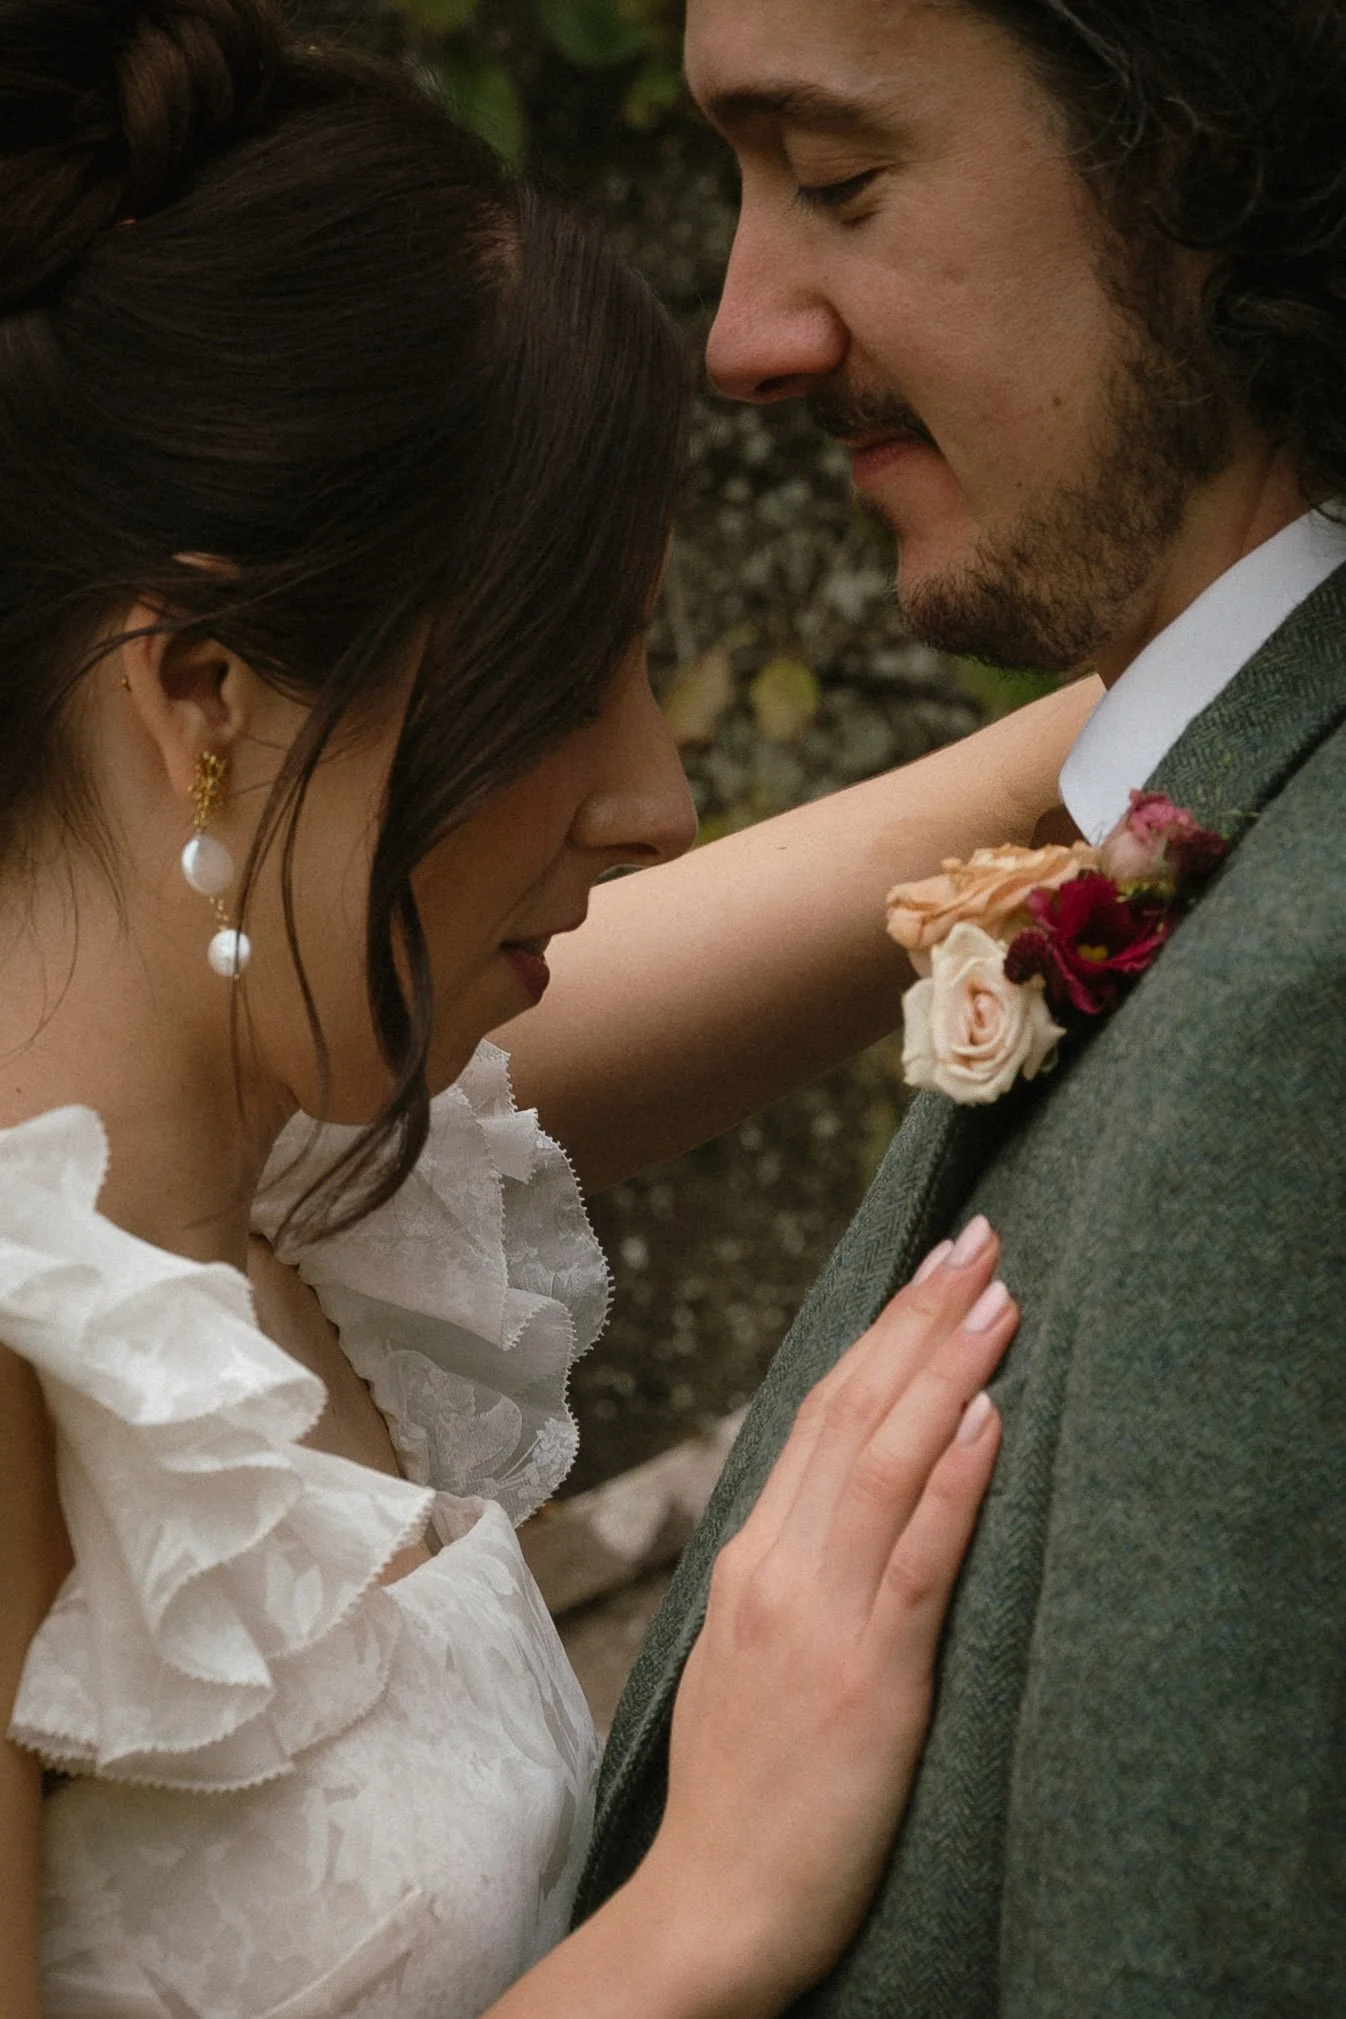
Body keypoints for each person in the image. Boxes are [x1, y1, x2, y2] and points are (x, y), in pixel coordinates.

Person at [0, 3, 1103, 2015]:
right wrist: (711, 1904)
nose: (656, 795)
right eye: (560, 674)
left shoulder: (287, 1172)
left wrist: (1230, 654)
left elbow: (866, 871)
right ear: (209, 698)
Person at [580, 0, 1346, 2010]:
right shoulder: (1224, 825)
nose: (743, 329)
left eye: (837, 181)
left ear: (1194, 154)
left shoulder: (1304, 1013)